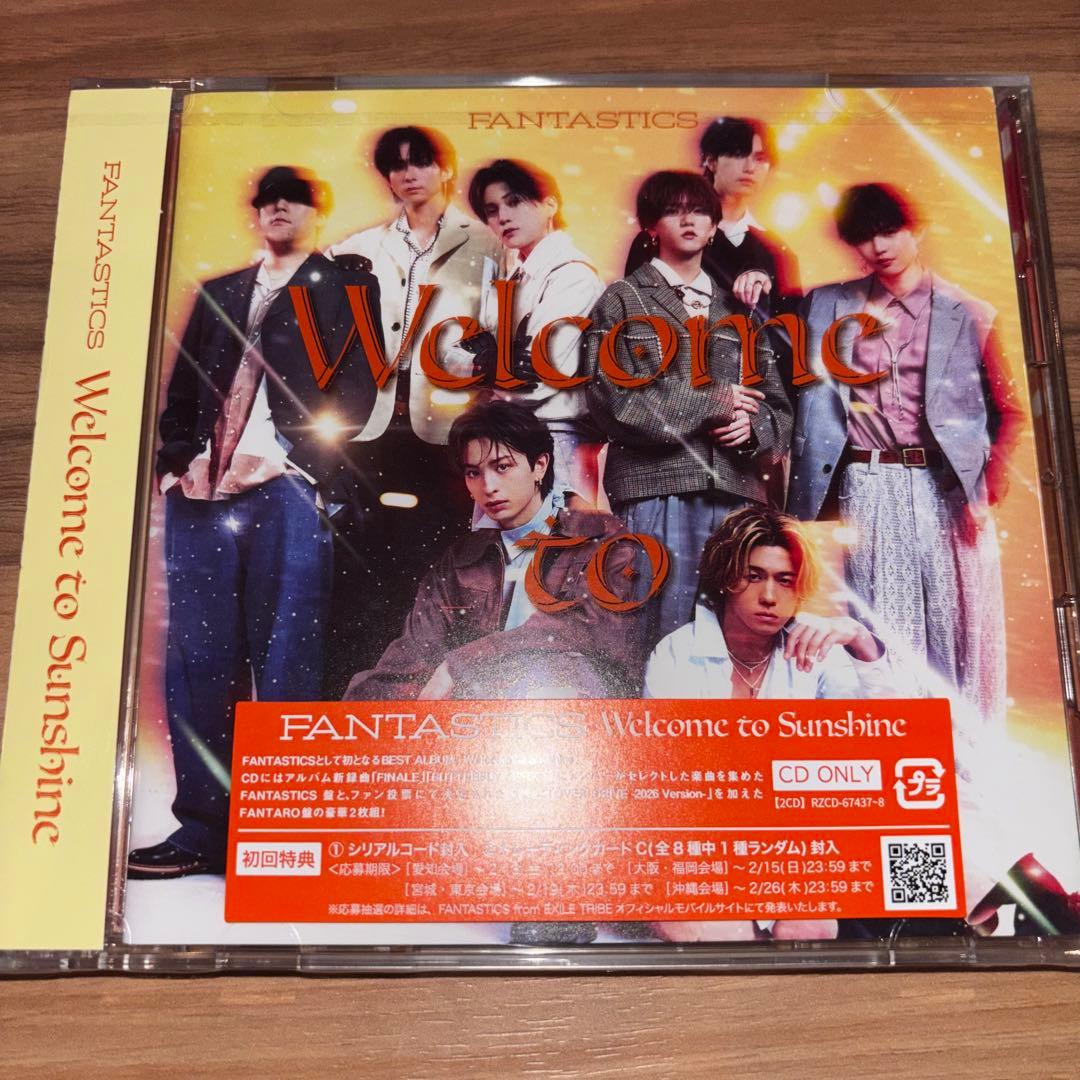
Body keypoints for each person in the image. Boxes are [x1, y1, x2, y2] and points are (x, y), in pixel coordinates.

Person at [644, 507, 1080, 941]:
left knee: (919, 783)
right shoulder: (678, 653)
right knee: (741, 931)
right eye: (753, 576)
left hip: (809, 826)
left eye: (785, 580)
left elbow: (895, 734)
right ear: (726, 578)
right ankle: (961, 910)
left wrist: (860, 642)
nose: (770, 596)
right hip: (727, 834)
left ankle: (1000, 899)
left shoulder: (813, 644)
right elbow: (681, 778)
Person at [128, 166, 380, 879]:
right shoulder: (222, 292)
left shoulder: (345, 286)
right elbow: (181, 392)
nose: (278, 208)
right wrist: (176, 465)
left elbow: (356, 393)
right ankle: (203, 831)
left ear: (317, 211)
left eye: (293, 198)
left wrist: (298, 463)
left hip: (286, 490)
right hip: (201, 494)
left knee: (286, 661)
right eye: (268, 199)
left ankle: (280, 837)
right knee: (198, 661)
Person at [786, 183, 1023, 727]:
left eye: (889, 231)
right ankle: (899, 736)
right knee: (880, 619)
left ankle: (962, 748)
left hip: (945, 490)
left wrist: (984, 488)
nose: (878, 247)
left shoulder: (968, 311)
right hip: (867, 484)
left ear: (916, 230)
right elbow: (790, 373)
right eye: (863, 237)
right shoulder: (827, 305)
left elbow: (1006, 410)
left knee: (954, 624)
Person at [322, 127, 501, 692]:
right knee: (358, 565)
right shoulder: (357, 249)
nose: (408, 174)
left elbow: (501, 334)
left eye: (420, 162)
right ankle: (358, 692)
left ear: (445, 170)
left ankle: (425, 691)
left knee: (440, 566)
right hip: (368, 430)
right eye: (396, 165)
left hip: (447, 432)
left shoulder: (488, 245)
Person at [585, 170, 792, 648]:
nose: (689, 220)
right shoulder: (621, 301)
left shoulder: (739, 311)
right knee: (656, 634)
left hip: (738, 495)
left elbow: (779, 410)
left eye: (699, 211)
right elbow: (615, 403)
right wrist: (715, 401)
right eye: (674, 211)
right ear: (650, 226)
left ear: (715, 226)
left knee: (737, 637)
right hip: (658, 490)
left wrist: (753, 430)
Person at [344, 398, 649, 703]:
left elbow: (587, 632)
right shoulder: (460, 560)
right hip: (476, 710)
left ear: (539, 466)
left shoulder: (600, 538)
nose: (488, 486)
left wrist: (462, 663)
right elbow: (414, 653)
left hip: (565, 708)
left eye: (502, 467)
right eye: (473, 473)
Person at [461, 158, 606, 503]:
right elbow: (457, 356)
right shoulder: (514, 276)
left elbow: (537, 377)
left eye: (514, 202)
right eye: (492, 210)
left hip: (553, 439)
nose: (503, 217)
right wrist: (485, 362)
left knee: (550, 535)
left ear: (550, 204)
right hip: (508, 436)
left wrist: (485, 366)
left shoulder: (572, 274)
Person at [625, 117, 801, 335]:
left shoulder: (777, 254)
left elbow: (788, 336)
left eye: (760, 158)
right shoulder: (660, 236)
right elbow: (631, 316)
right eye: (738, 154)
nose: (750, 167)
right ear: (710, 160)